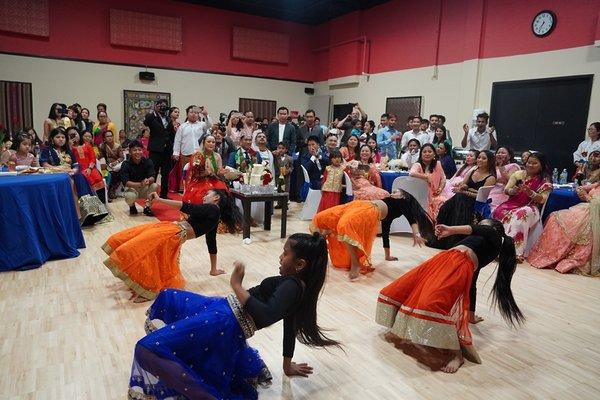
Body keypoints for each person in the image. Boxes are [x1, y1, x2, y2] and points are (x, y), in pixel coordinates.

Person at [126, 232, 340, 399]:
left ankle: (207, 396)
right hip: (222, 310)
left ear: (300, 264)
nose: (281, 257)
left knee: (146, 348)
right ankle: (190, 359)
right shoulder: (297, 287)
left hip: (224, 322)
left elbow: (266, 315)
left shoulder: (293, 286)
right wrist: (286, 365)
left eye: (285, 254)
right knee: (168, 297)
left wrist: (237, 285)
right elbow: (289, 326)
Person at [376, 219, 524, 373]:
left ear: (494, 229)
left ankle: (457, 355)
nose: (477, 226)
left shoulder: (494, 238)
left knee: (431, 304)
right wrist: (471, 316)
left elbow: (484, 231)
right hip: (442, 260)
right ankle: (404, 326)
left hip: (457, 266)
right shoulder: (482, 242)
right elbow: (472, 286)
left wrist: (451, 229)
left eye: (481, 224)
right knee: (397, 289)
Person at [103, 189, 240, 304]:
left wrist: (160, 199)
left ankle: (147, 290)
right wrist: (213, 269)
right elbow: (211, 243)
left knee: (135, 247)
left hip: (171, 234)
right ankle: (141, 286)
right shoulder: (214, 214)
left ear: (216, 198)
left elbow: (187, 207)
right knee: (140, 247)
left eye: (207, 194)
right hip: (171, 231)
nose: (204, 196)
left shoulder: (212, 209)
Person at [310, 191, 431, 280]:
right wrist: (387, 256)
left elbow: (411, 219)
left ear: (404, 195)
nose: (392, 192)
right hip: (358, 205)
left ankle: (355, 263)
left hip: (368, 210)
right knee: (323, 217)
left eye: (396, 191)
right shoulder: (389, 205)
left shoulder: (403, 201)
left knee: (344, 226)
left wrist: (416, 233)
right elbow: (385, 233)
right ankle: (318, 249)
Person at [528, 173, 599, 275]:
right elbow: (580, 188)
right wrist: (582, 192)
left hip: (594, 216)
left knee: (562, 223)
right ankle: (549, 255)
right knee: (554, 218)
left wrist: (588, 197)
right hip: (585, 210)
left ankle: (560, 256)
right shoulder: (597, 184)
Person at [493, 152, 553, 262]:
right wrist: (513, 191)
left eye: (534, 163)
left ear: (542, 165)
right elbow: (506, 190)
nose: (530, 165)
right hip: (512, 203)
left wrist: (531, 193)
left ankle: (514, 253)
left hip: (531, 207)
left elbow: (542, 199)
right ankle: (496, 248)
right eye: (529, 162)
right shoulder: (518, 174)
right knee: (498, 211)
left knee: (522, 214)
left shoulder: (545, 181)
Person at [435, 150, 497, 249]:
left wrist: (465, 191)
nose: (480, 160)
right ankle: (441, 237)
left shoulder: (491, 177)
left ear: (490, 161)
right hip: (462, 198)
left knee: (460, 199)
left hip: (475, 203)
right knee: (444, 208)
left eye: (484, 158)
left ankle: (455, 241)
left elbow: (481, 196)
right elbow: (462, 185)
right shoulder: (472, 171)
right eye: (479, 157)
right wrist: (463, 187)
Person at [182, 135, 229, 204]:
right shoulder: (198, 156)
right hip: (199, 181)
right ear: (204, 143)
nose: (211, 144)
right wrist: (206, 173)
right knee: (199, 194)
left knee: (224, 191)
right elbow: (195, 173)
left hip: (214, 180)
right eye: (208, 142)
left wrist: (222, 172)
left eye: (213, 142)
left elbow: (218, 172)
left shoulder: (217, 156)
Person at [409, 143, 447, 220]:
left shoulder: (437, 164)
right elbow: (412, 173)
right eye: (424, 152)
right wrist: (426, 177)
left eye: (430, 152)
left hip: (435, 194)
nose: (427, 154)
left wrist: (440, 189)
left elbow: (443, 179)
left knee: (443, 201)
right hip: (421, 195)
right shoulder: (418, 165)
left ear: (434, 154)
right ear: (421, 154)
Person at [68, 127, 106, 203]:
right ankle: (88, 207)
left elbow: (93, 159)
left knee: (96, 177)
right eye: (71, 135)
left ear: (79, 134)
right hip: (77, 171)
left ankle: (102, 205)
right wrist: (69, 146)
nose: (74, 137)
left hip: (90, 168)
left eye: (75, 134)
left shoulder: (87, 145)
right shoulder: (69, 148)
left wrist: (89, 168)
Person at [144, 99, 172, 198]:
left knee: (165, 174)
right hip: (155, 149)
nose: (163, 107)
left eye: (165, 106)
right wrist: (154, 110)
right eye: (161, 105)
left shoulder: (169, 119)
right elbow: (146, 122)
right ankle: (151, 194)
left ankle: (164, 194)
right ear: (157, 106)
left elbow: (171, 134)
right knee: (153, 172)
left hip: (167, 150)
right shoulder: (152, 117)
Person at [121, 140, 158, 216]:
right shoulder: (125, 164)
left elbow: (152, 177)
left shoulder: (148, 161)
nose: (137, 152)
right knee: (129, 196)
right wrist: (140, 184)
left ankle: (147, 207)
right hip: (132, 188)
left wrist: (148, 180)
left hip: (144, 187)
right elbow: (126, 182)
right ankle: (132, 206)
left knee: (154, 185)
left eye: (139, 150)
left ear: (142, 151)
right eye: (134, 150)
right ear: (130, 152)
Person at [171, 106, 204, 193]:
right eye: (191, 112)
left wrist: (205, 114)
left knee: (198, 173)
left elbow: (210, 125)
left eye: (196, 112)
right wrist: (176, 153)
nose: (194, 114)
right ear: (187, 114)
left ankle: (197, 189)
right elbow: (178, 140)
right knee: (185, 173)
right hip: (185, 153)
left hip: (198, 154)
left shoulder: (202, 125)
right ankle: (185, 190)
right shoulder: (182, 126)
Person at [489, 146, 521, 211]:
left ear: (509, 156)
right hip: (489, 191)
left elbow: (512, 182)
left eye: (503, 153)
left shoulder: (513, 166)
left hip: (503, 194)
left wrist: (502, 167)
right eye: (498, 153)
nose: (500, 154)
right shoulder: (493, 166)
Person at [99, 130, 124, 201]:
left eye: (111, 136)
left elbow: (121, 157)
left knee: (119, 172)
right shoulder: (102, 146)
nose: (110, 138)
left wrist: (116, 162)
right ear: (104, 138)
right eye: (107, 136)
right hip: (106, 165)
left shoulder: (117, 146)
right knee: (108, 174)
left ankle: (112, 190)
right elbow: (101, 157)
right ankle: (106, 192)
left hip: (116, 165)